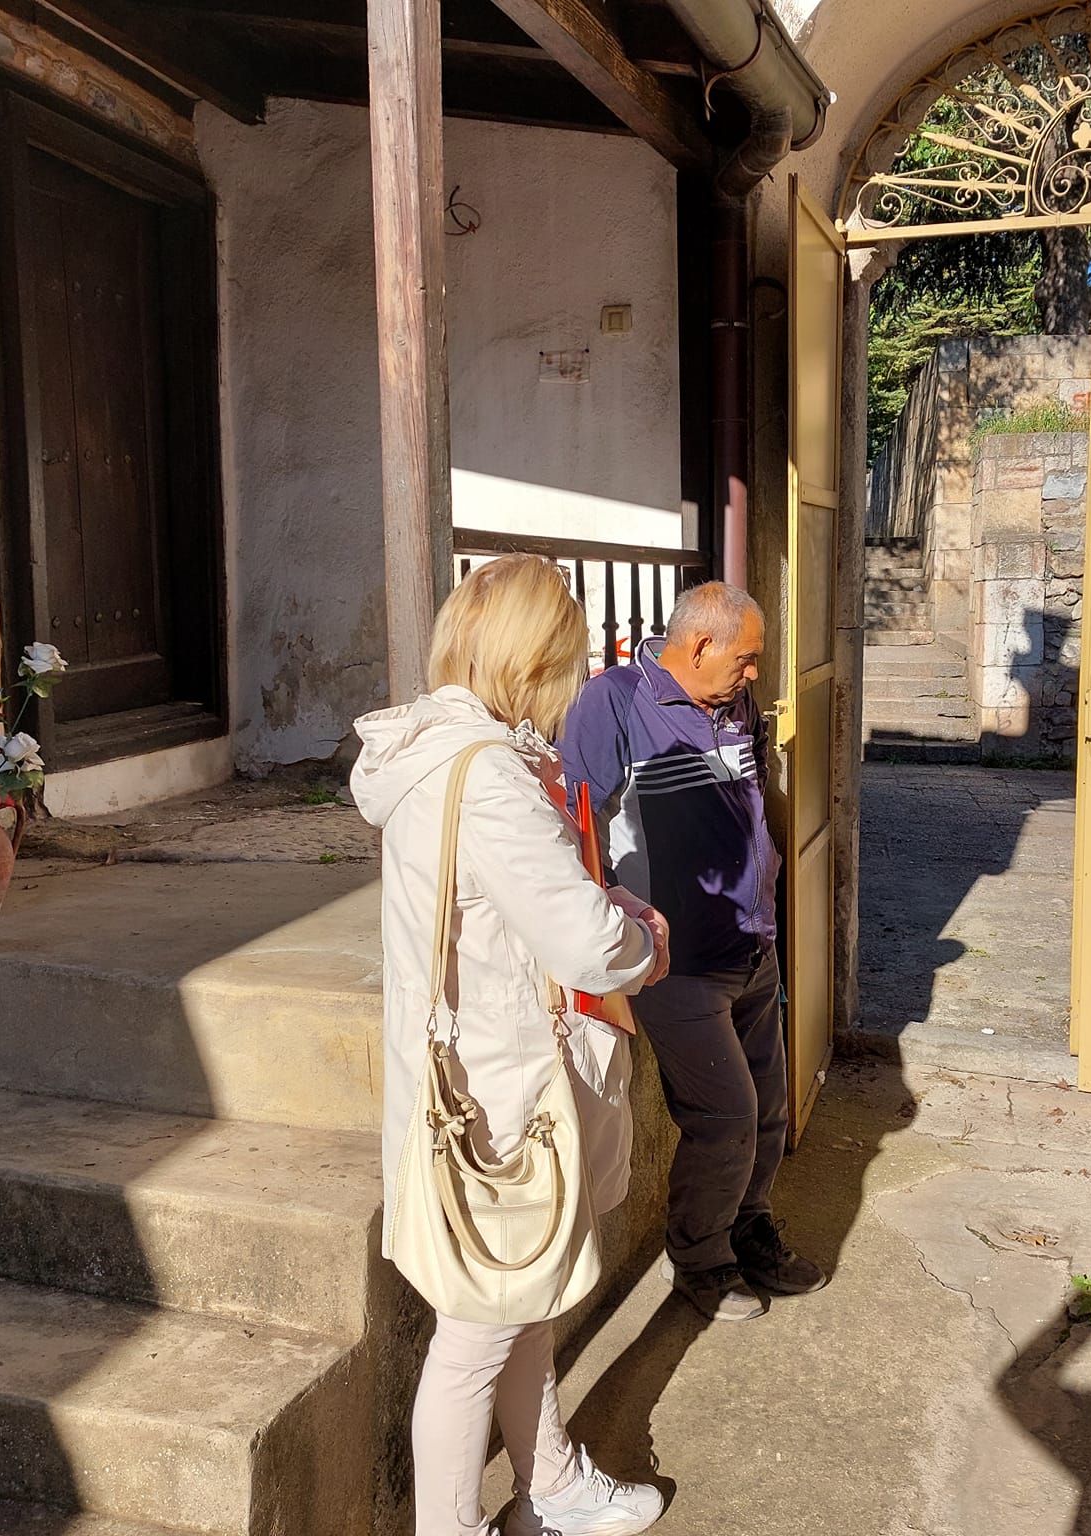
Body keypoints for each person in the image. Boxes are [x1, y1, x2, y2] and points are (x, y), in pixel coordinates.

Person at [351, 554, 673, 1536]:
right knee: (477, 1336)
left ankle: (554, 1484)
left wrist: (592, 906)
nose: (573, 685)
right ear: (531, 664)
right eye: (565, 663)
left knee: (516, 1301)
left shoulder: (435, 753)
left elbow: (511, 905)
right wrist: (641, 941)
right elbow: (583, 944)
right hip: (496, 1096)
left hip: (472, 1079)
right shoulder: (487, 776)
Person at [561, 582, 826, 1322]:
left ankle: (750, 1233)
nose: (755, 674)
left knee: (767, 1112)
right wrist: (615, 926)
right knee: (725, 1117)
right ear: (701, 645)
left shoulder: (734, 704)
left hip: (753, 946)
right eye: (746, 659)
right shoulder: (614, 703)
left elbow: (750, 804)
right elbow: (574, 827)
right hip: (677, 965)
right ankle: (702, 1262)